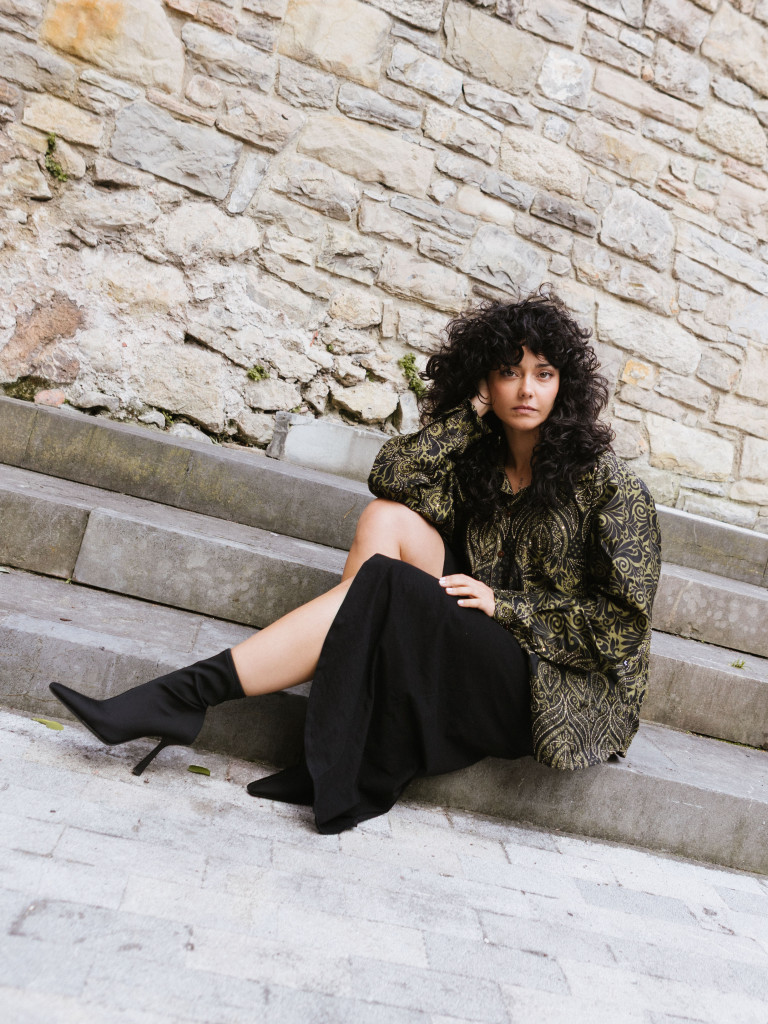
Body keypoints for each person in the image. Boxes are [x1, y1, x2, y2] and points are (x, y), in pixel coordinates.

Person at [50, 290, 662, 834]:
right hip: (481, 634)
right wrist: (470, 413)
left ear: (565, 385)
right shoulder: (482, 460)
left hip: (553, 682)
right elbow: (390, 475)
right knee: (386, 518)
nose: (526, 390)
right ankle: (320, 743)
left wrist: (506, 604)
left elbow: (622, 630)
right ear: (486, 383)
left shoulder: (609, 485)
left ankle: (184, 696)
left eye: (544, 374)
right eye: (508, 373)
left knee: (389, 585)